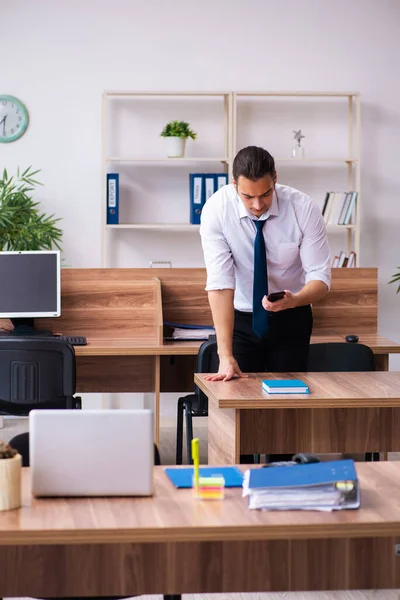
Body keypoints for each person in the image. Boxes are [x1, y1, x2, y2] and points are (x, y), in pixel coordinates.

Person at [199, 145, 331, 382]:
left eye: (265, 194)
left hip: (292, 315)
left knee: (289, 401)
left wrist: (296, 299)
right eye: (248, 196)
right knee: (238, 397)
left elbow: (320, 278)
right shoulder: (216, 210)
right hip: (239, 320)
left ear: (275, 180)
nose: (258, 205)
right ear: (234, 185)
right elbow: (220, 283)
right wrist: (224, 354)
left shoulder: (303, 209)